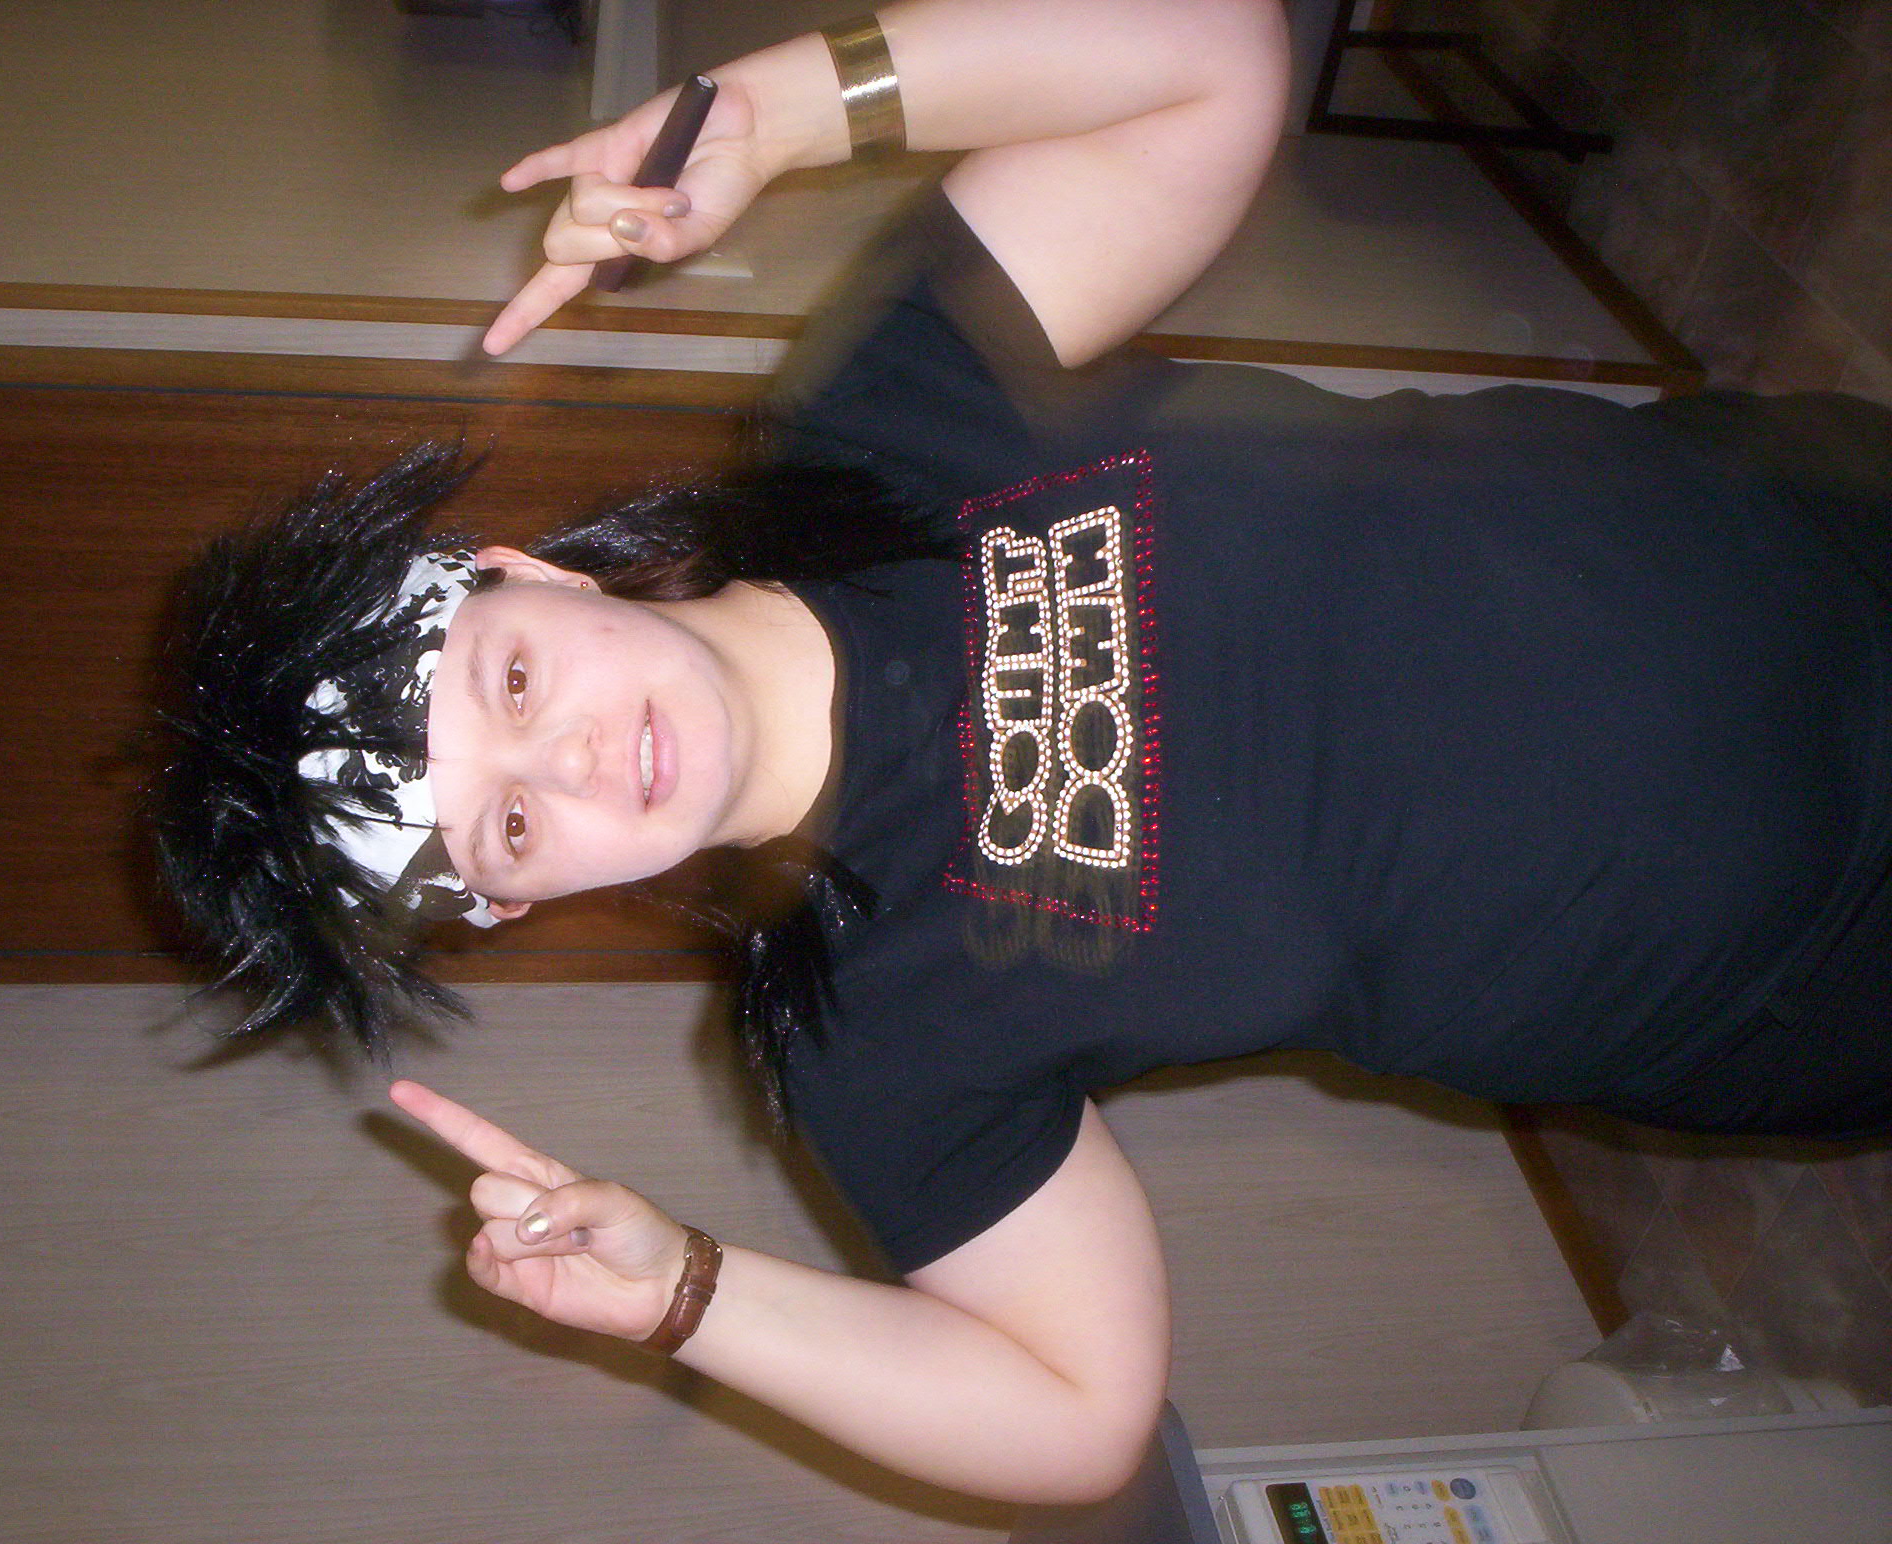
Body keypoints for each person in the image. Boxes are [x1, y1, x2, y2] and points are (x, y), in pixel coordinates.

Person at [152, 0, 1892, 1505]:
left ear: (531, 575)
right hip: (1812, 968)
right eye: (513, 828)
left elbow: (1209, 54)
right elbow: (1075, 1414)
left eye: (518, 684)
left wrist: (771, 109)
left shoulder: (889, 422)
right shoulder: (867, 1033)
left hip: (1815, 544)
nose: (585, 767)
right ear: (523, 903)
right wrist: (688, 1290)